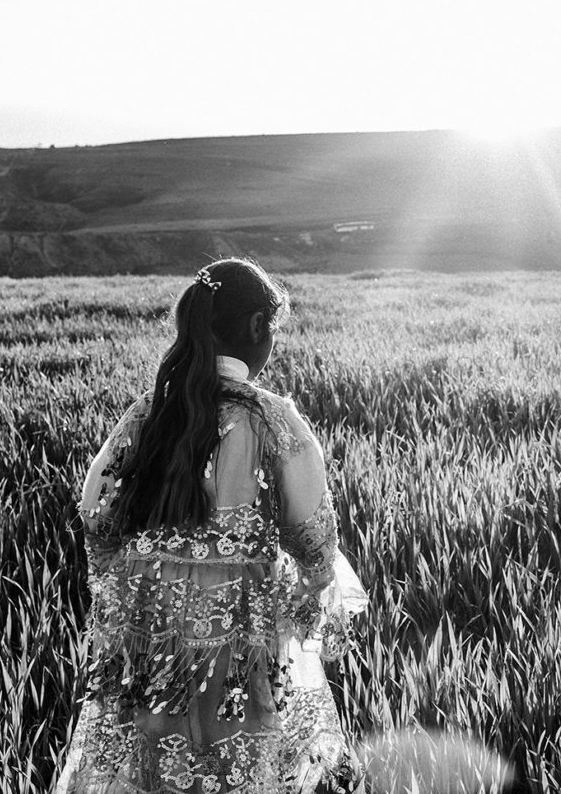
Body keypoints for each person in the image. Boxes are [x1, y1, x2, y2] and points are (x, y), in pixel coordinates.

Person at [56, 258, 367, 794]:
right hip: (238, 619)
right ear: (255, 328)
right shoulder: (271, 418)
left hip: (150, 615)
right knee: (235, 750)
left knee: (151, 746)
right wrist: (314, 585)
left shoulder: (150, 412)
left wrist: (115, 570)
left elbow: (96, 504)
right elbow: (310, 530)